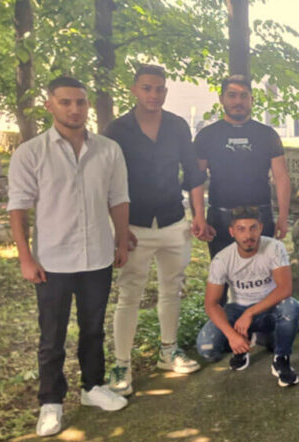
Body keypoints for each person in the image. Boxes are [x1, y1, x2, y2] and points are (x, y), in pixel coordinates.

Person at [8, 77, 130, 437]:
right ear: (50, 105)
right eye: (65, 102)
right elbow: (18, 208)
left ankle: (93, 387)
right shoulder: (31, 153)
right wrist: (25, 257)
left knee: (93, 329)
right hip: (53, 261)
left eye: (80, 102)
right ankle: (51, 402)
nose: (74, 109)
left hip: (97, 257)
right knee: (52, 335)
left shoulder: (108, 150)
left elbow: (119, 198)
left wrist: (122, 240)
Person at [104, 64, 211, 396]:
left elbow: (192, 173)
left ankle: (169, 351)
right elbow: (107, 182)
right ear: (134, 89)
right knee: (129, 294)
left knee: (172, 289)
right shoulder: (117, 129)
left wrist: (198, 215)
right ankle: (122, 364)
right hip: (133, 225)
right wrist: (119, 229)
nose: (154, 94)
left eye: (160, 88)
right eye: (147, 88)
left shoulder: (177, 126)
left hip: (172, 221)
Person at [195, 206, 299, 386]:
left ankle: (281, 359)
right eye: (241, 229)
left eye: (253, 228)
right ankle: (243, 345)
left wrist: (250, 313)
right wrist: (232, 335)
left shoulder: (275, 248)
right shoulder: (222, 259)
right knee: (207, 349)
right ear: (232, 232)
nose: (248, 235)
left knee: (291, 306)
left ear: (261, 227)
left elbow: (285, 289)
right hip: (237, 309)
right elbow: (211, 304)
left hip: (269, 307)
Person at [194, 74, 291, 255]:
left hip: (260, 217)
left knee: (261, 270)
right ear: (221, 99)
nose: (238, 101)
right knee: (222, 270)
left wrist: (283, 217)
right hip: (220, 218)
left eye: (243, 96)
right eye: (232, 95)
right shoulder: (207, 135)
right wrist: (198, 216)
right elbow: (197, 178)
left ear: (252, 99)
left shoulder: (267, 135)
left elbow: (281, 177)